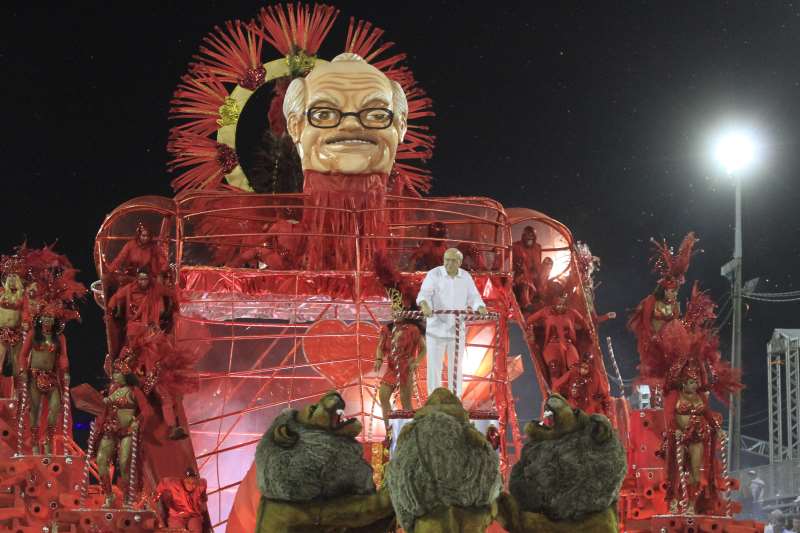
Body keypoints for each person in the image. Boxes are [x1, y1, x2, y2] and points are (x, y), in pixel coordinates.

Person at [283, 52, 409, 270]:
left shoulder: (413, 234)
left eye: (377, 115)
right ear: (295, 127)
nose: (351, 125)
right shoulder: (281, 237)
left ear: (401, 127)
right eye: (324, 114)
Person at [416, 248, 487, 397]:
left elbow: (474, 297)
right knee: (434, 367)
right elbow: (424, 294)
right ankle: (433, 399)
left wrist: (479, 306)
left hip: (457, 330)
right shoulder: (434, 274)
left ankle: (456, 399)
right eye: (446, 260)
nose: (448, 263)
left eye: (453, 261)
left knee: (456, 367)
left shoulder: (466, 277)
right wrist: (425, 305)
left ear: (460, 262)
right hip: (436, 330)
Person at [157, 468, 208, 532]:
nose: (191, 485)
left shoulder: (200, 485)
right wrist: (157, 495)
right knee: (177, 531)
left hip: (193, 515)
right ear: (184, 480)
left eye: (194, 483)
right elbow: (163, 484)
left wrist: (203, 497)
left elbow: (204, 485)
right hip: (177, 516)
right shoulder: (174, 484)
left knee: (196, 529)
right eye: (188, 482)